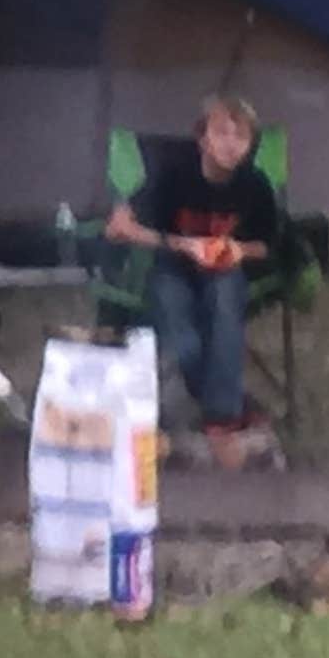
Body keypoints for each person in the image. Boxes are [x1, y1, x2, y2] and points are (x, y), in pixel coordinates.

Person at [106, 94, 281, 465]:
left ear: (249, 146)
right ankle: (226, 401)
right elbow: (119, 227)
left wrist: (238, 251)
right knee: (182, 338)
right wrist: (181, 244)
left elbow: (269, 246)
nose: (230, 144)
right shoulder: (175, 173)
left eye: (241, 137)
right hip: (171, 267)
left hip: (224, 271)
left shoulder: (254, 185)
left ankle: (221, 419)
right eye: (221, 133)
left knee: (224, 298)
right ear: (203, 139)